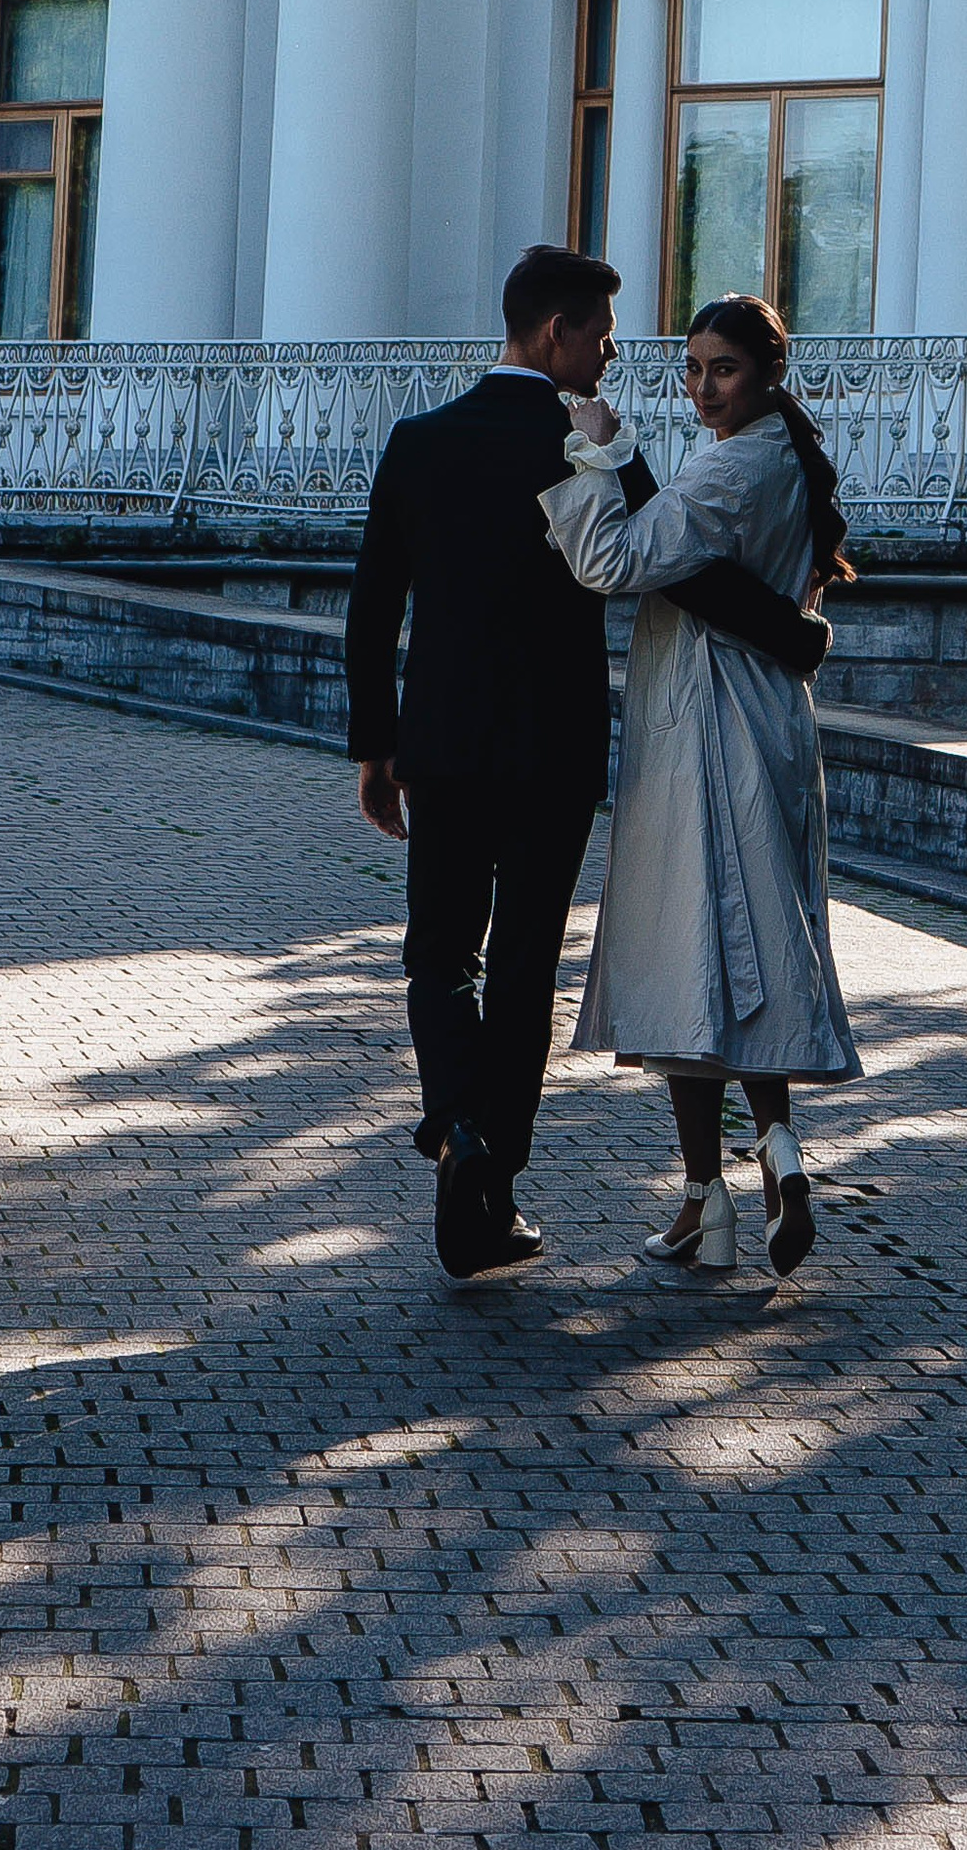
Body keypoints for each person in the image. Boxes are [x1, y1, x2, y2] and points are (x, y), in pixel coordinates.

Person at [347, 245, 825, 1279]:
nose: (614, 354)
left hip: (440, 745)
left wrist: (375, 748)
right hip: (554, 755)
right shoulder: (592, 447)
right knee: (522, 972)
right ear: (558, 332)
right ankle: (495, 1187)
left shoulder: (419, 441)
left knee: (437, 956)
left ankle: (456, 1131)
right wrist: (797, 637)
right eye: (602, 334)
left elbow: (372, 605)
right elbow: (681, 575)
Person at [539, 291, 862, 1279]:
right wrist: (630, 457)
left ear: (767, 373)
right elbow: (689, 544)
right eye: (691, 368)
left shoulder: (732, 463)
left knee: (688, 955)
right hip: (765, 721)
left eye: (721, 368)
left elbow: (615, 559)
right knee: (753, 950)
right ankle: (770, 1162)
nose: (702, 387)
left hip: (706, 728)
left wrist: (590, 450)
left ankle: (701, 1196)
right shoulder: (780, 459)